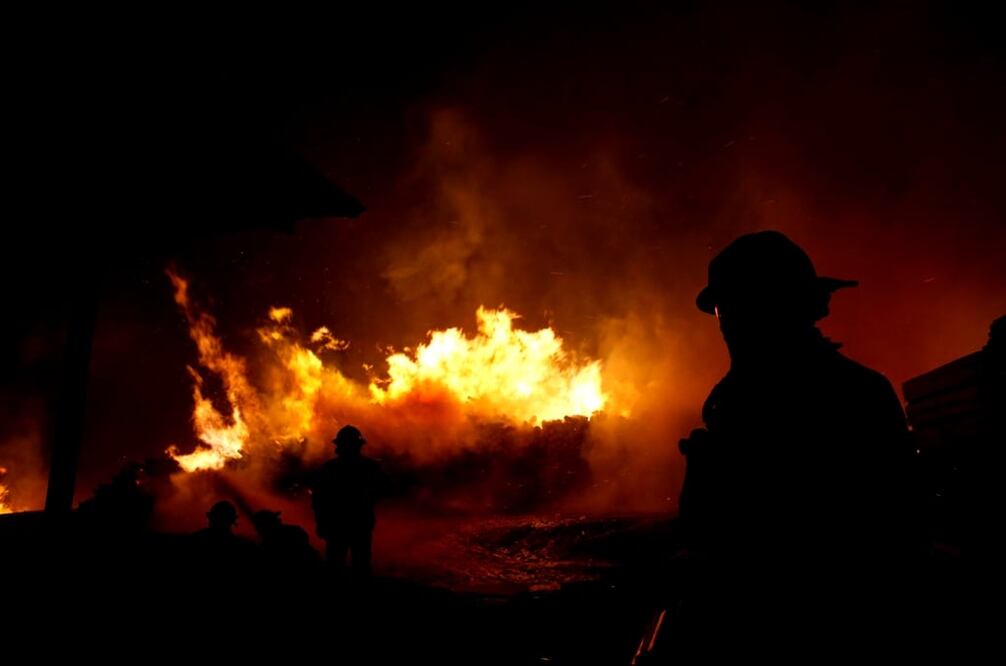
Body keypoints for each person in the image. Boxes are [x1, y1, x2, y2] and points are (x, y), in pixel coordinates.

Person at [675, 231, 919, 652]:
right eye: (722, 310)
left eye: (734, 307)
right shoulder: (734, 400)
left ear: (777, 308)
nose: (726, 324)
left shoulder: (841, 396)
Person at [312, 425, 388, 578]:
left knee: (335, 566)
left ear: (339, 446)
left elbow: (319, 499)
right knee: (360, 565)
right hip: (359, 523)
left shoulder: (329, 468)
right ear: (359, 446)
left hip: (337, 524)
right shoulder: (370, 467)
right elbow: (382, 491)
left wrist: (321, 522)